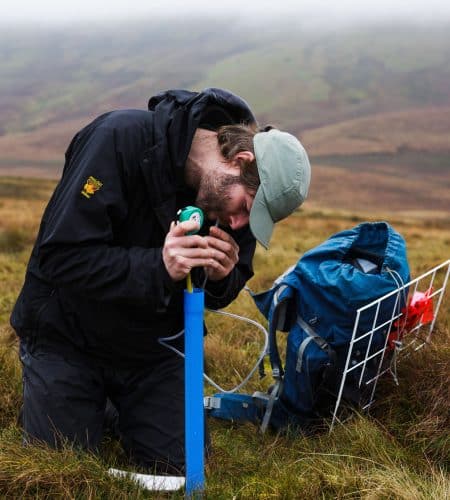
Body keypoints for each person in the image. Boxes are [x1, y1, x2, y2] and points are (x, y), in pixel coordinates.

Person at [10, 88, 311, 475]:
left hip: (153, 350)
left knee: (184, 471)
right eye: (246, 209)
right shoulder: (118, 139)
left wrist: (222, 277)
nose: (238, 225)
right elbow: (60, 258)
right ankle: (78, 399)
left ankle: (120, 407)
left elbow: (224, 288)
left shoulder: (236, 205)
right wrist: (158, 266)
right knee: (61, 469)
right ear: (239, 159)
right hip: (67, 338)